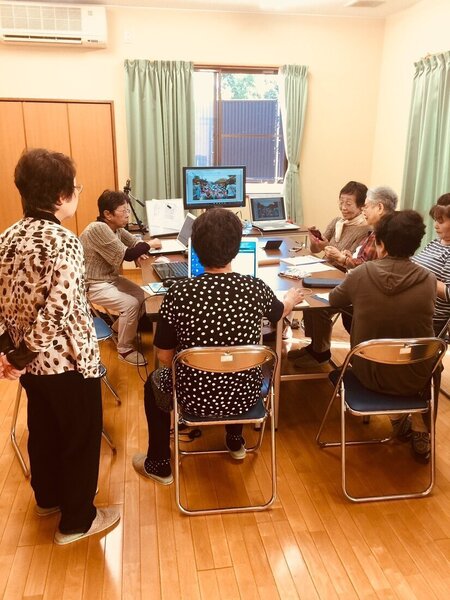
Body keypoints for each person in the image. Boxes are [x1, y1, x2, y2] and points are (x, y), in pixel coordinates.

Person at [0, 148, 120, 544]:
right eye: (75, 188)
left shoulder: (7, 237)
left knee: (43, 429)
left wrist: (11, 353)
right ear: (60, 197)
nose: (77, 194)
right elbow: (58, 309)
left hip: (31, 365)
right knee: (80, 436)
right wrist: (21, 354)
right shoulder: (64, 241)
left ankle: (47, 498)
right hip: (68, 361)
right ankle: (77, 522)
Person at [132, 208, 304, 484]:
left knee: (155, 381)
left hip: (193, 398)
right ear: (236, 249)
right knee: (236, 363)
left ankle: (159, 464)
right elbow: (278, 313)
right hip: (246, 396)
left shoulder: (179, 293)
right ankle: (235, 441)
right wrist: (291, 300)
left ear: (196, 249)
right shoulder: (255, 288)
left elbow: (164, 357)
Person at [329, 210, 437, 461]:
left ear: (380, 243)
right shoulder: (429, 280)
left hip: (369, 373)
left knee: (340, 372)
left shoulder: (360, 274)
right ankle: (421, 429)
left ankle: (398, 418)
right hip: (415, 378)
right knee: (431, 364)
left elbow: (334, 299)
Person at [292, 186, 399, 367]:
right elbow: (363, 259)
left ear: (379, 208)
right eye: (341, 202)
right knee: (311, 295)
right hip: (348, 278)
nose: (364, 210)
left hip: (359, 286)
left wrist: (343, 258)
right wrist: (345, 255)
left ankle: (321, 353)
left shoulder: (378, 231)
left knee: (318, 303)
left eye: (366, 206)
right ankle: (315, 347)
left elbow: (368, 267)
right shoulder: (363, 228)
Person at [80, 190, 162, 366]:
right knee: (130, 304)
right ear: (108, 214)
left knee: (143, 297)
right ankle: (124, 349)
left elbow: (134, 243)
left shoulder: (115, 229)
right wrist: (150, 244)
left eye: (128, 210)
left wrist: (139, 251)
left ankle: (118, 329)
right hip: (93, 283)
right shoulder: (98, 228)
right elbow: (128, 255)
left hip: (109, 279)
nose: (127, 214)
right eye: (123, 211)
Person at [413, 193, 450, 336]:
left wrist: (419, 274)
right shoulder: (435, 243)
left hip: (431, 320)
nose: (435, 225)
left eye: (441, 221)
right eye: (435, 220)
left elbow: (448, 292)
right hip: (413, 309)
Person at [308, 181, 369, 255]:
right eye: (341, 202)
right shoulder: (336, 222)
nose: (343, 208)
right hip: (325, 262)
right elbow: (316, 250)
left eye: (348, 204)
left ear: (361, 206)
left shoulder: (365, 230)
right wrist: (314, 242)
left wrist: (326, 246)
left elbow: (351, 260)